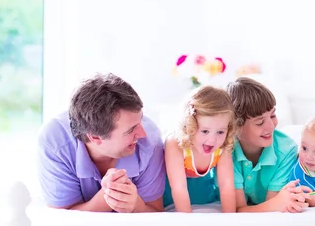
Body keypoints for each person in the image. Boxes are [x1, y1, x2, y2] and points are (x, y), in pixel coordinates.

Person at [36, 73, 166, 212]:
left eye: (140, 120)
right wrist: (108, 195)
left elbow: (155, 211)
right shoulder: (55, 142)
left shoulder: (150, 142)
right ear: (95, 138)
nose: (142, 134)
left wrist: (136, 205)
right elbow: (63, 218)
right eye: (130, 130)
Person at [226, 77, 311, 213]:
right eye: (260, 122)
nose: (271, 126)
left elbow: (273, 206)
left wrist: (276, 203)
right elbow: (239, 210)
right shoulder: (227, 152)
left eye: (273, 115)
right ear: (236, 126)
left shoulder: (287, 150)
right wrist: (275, 203)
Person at [162, 85, 236, 213]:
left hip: (202, 192)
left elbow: (226, 185)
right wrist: (190, 224)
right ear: (190, 125)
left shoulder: (223, 145)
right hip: (171, 193)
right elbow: (179, 187)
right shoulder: (175, 143)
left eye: (220, 132)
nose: (212, 140)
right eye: (205, 131)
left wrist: (229, 221)